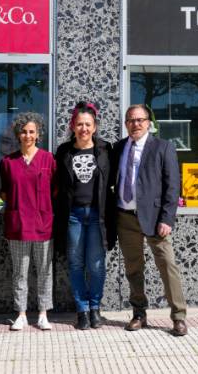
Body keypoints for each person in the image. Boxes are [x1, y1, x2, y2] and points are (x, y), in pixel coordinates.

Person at [110, 104, 188, 337]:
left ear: (148, 122)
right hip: (125, 217)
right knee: (133, 268)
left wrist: (167, 218)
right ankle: (139, 313)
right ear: (126, 124)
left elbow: (173, 186)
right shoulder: (119, 147)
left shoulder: (163, 147)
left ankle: (179, 317)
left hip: (155, 220)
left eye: (140, 120)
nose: (136, 124)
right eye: (131, 120)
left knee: (167, 266)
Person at [54, 101, 114, 330]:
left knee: (96, 265)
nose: (84, 129)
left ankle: (95, 308)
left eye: (88, 124)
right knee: (76, 263)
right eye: (79, 124)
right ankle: (82, 310)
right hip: (73, 216)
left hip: (98, 215)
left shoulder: (105, 150)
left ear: (95, 126)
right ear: (73, 126)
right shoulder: (63, 151)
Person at [0, 112, 56, 331]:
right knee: (19, 272)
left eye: (32, 131)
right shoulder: (8, 162)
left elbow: (55, 189)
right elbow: (3, 192)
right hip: (18, 225)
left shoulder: (48, 159)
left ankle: (43, 313)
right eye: (23, 132)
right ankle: (21, 314)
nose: (28, 135)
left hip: (42, 225)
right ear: (18, 134)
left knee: (44, 271)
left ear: (38, 134)